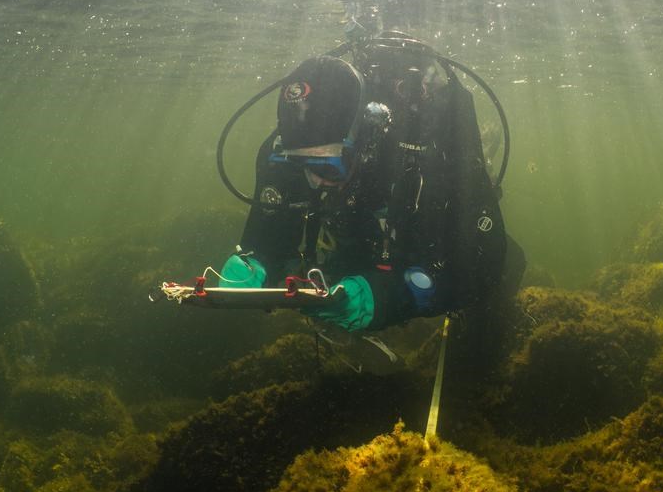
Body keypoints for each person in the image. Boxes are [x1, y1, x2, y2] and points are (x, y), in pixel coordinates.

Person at [217, 33, 515, 333]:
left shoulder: (422, 157)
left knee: (497, 298)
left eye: (327, 166)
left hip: (415, 245)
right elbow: (270, 232)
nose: (315, 181)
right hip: (357, 240)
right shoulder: (284, 150)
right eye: (301, 165)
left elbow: (485, 267)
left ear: (364, 143)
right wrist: (257, 261)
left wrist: (392, 299)